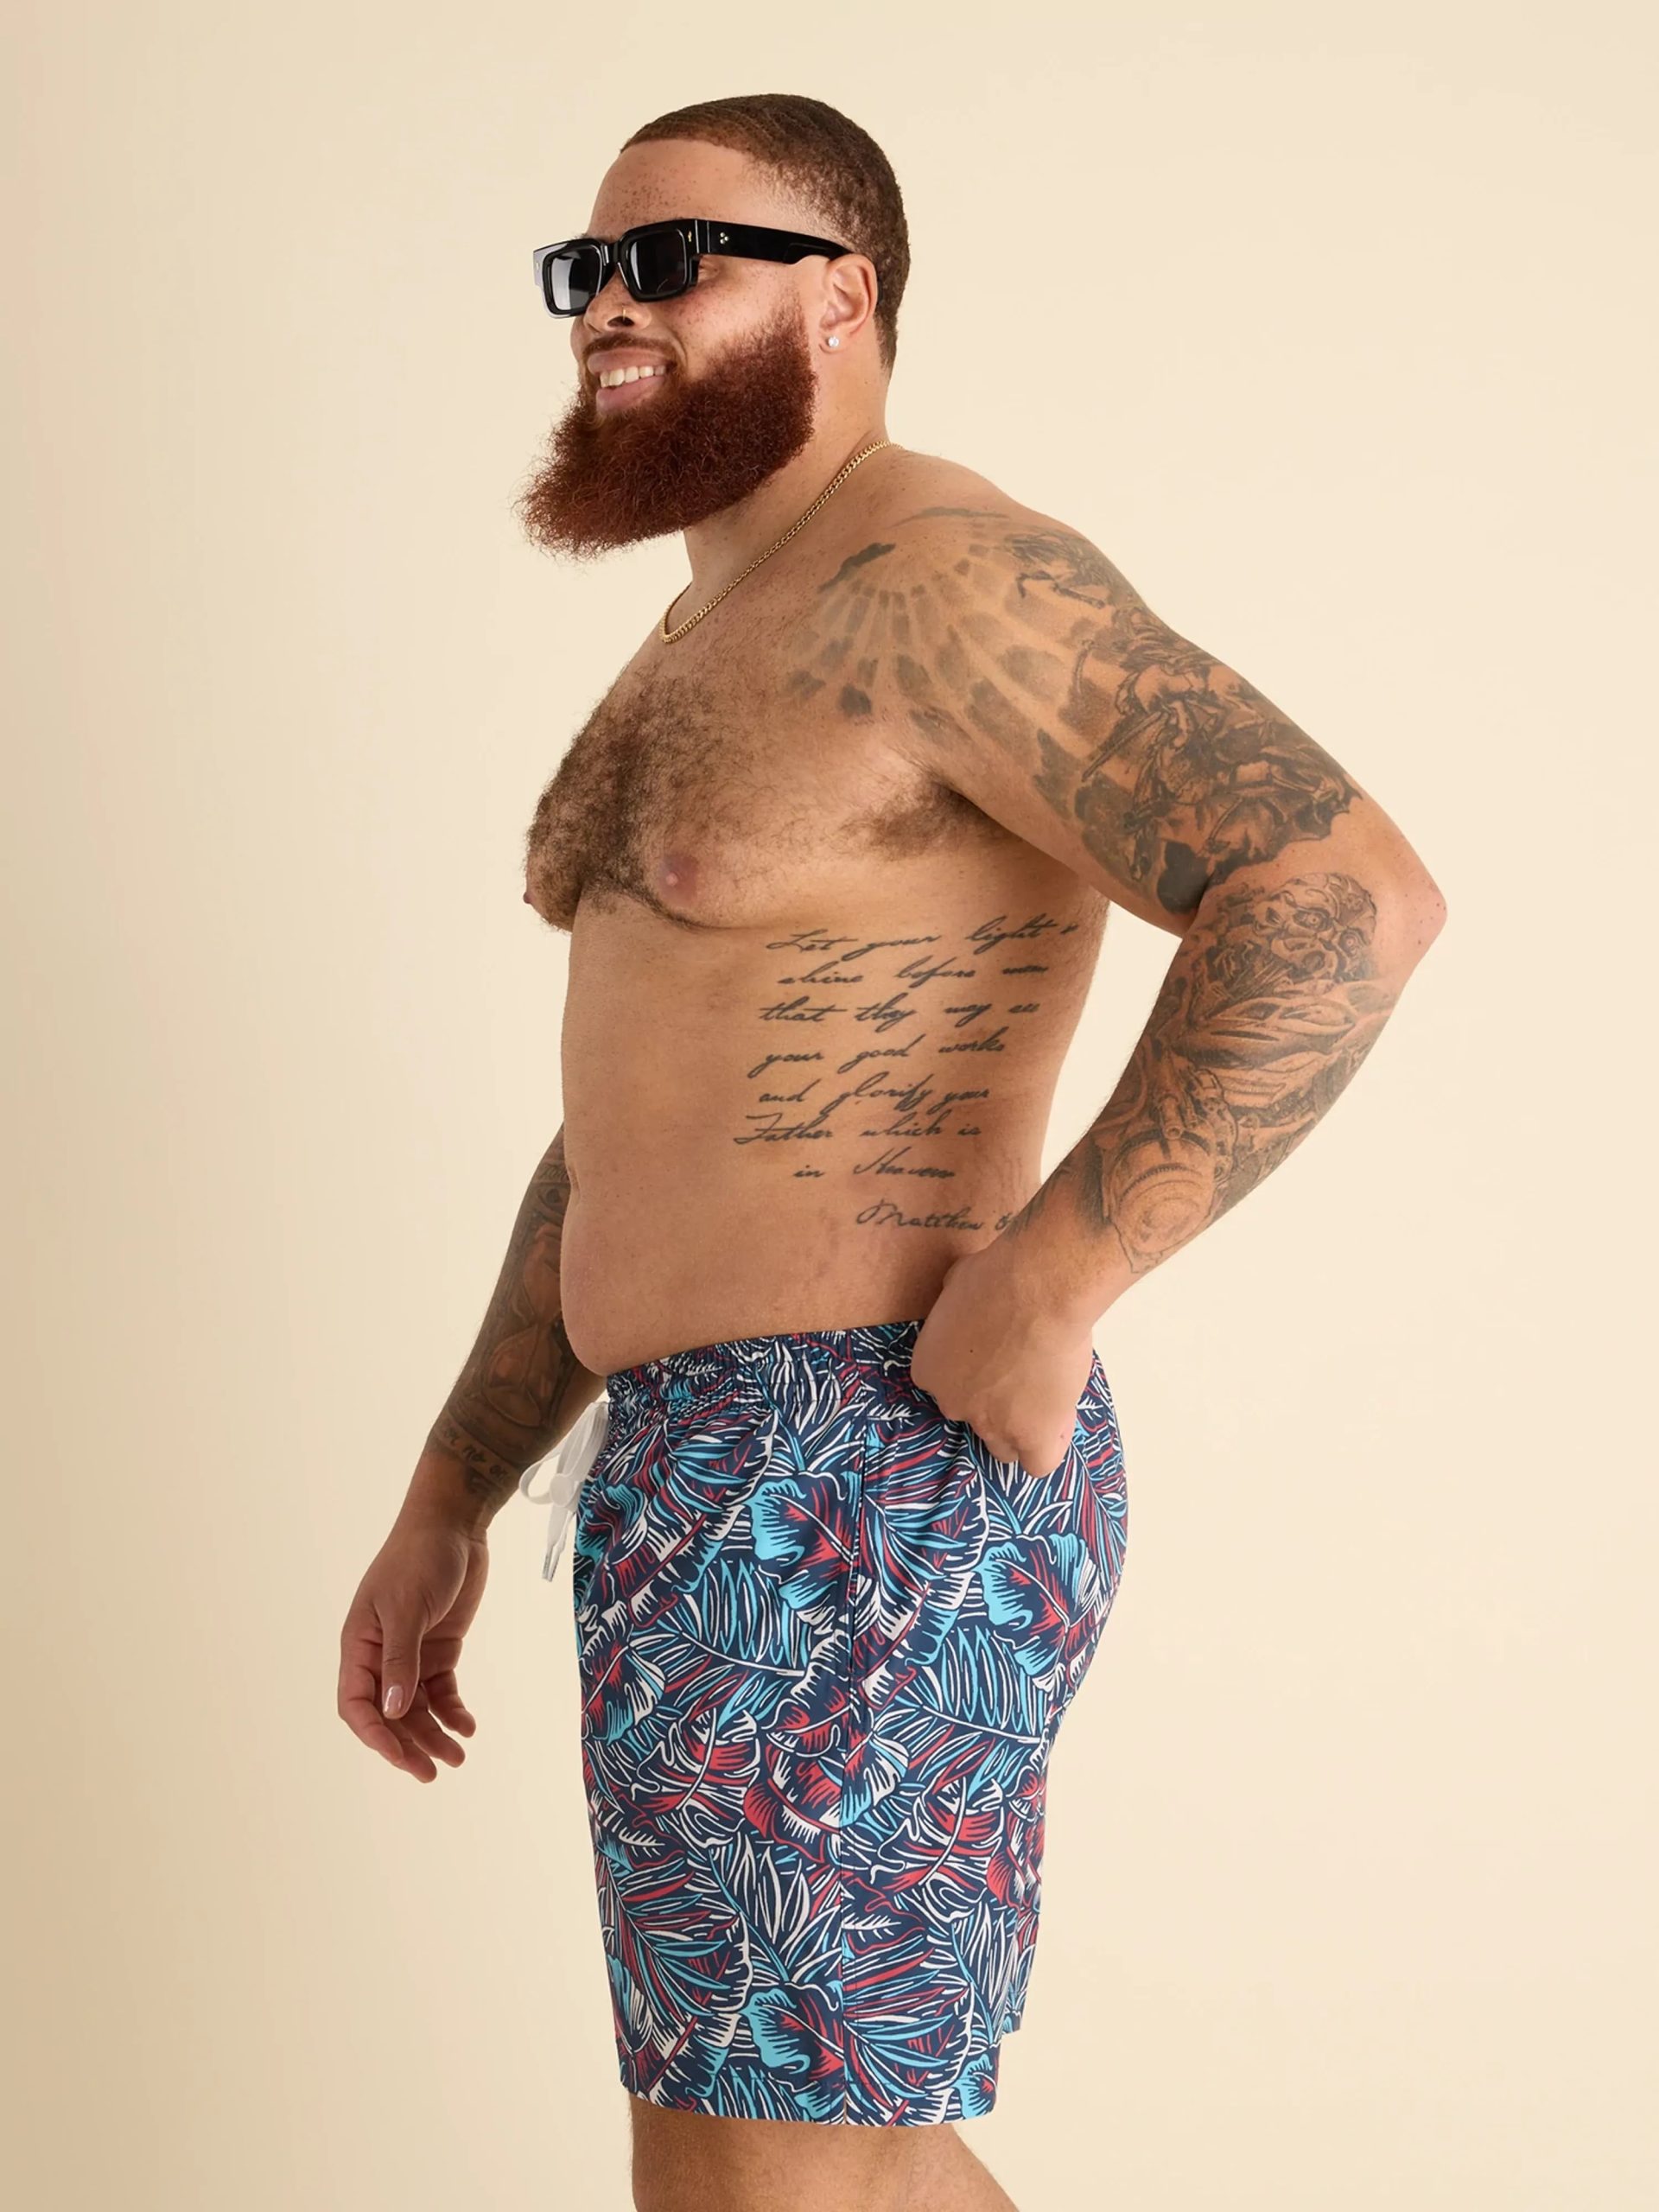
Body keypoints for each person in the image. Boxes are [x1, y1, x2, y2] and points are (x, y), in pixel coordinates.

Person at [337, 91, 1446, 2212]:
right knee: (823, 2167)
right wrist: (452, 1484)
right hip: (692, 1471)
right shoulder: (706, 636)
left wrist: (1060, 1271)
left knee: (770, 2182)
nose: (610, 309)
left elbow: (1344, 891)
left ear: (842, 296)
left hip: (861, 1469)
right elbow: (627, 1130)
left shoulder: (945, 577)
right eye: (586, 272)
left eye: (676, 260)